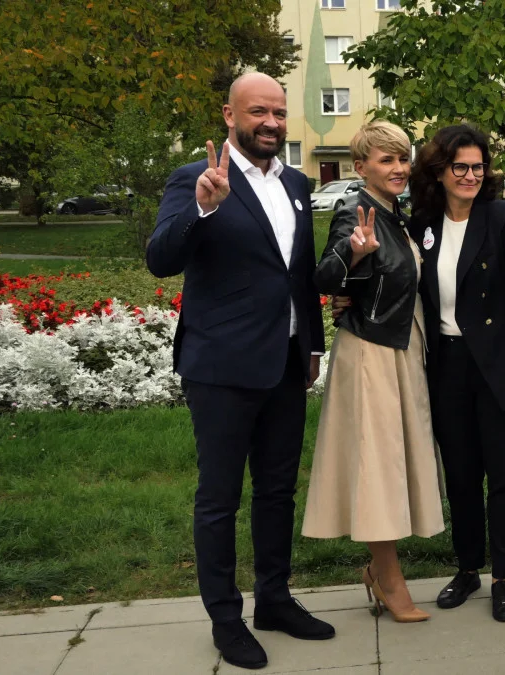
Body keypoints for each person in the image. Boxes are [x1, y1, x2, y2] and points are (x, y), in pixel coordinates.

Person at [147, 73, 333, 670]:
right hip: (221, 367)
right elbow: (160, 259)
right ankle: (226, 619)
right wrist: (202, 209)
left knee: (277, 491)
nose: (271, 123)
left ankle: (274, 601)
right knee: (219, 499)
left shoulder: (297, 183)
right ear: (230, 115)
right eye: (258, 112)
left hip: (284, 363)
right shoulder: (196, 178)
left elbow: (298, 273)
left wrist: (311, 346)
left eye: (279, 111)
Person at [403, 124, 505, 622]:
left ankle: (503, 577)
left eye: (478, 167)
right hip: (447, 365)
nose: (470, 175)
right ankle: (467, 569)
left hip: (503, 366)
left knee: (504, 478)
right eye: (459, 167)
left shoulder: (503, 216)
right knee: (462, 477)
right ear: (440, 171)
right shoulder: (422, 222)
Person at [302, 120, 444, 626]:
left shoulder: (395, 214)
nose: (399, 168)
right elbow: (324, 276)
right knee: (377, 468)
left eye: (403, 158)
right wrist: (352, 252)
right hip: (370, 354)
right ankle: (388, 578)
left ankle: (380, 572)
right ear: (361, 167)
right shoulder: (355, 211)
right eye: (387, 160)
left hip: (398, 349)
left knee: (393, 463)